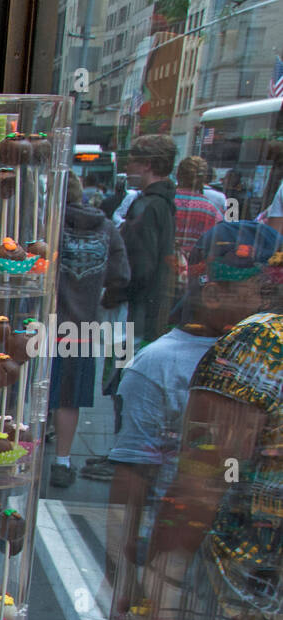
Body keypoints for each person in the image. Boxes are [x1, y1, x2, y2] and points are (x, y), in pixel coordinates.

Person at [104, 222, 281, 586]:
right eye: (264, 290)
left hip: (243, 564)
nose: (273, 302)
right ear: (214, 295)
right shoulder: (157, 364)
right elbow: (132, 477)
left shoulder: (270, 351)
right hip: (172, 556)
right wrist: (122, 574)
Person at [48, 174, 129, 488]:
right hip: (82, 327)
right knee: (68, 398)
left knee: (31, 391)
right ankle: (62, 462)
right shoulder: (107, 228)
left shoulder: (48, 226)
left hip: (43, 322)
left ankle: (22, 450)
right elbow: (121, 275)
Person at [100, 135, 178, 436]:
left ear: (147, 164)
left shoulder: (148, 205)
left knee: (125, 378)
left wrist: (115, 291)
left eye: (132, 160)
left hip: (135, 311)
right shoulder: (162, 202)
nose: (127, 166)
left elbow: (139, 267)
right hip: (149, 308)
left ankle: (123, 451)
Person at [173, 156, 220, 265]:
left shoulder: (167, 201)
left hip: (166, 265)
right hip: (195, 267)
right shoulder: (211, 208)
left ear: (178, 175)